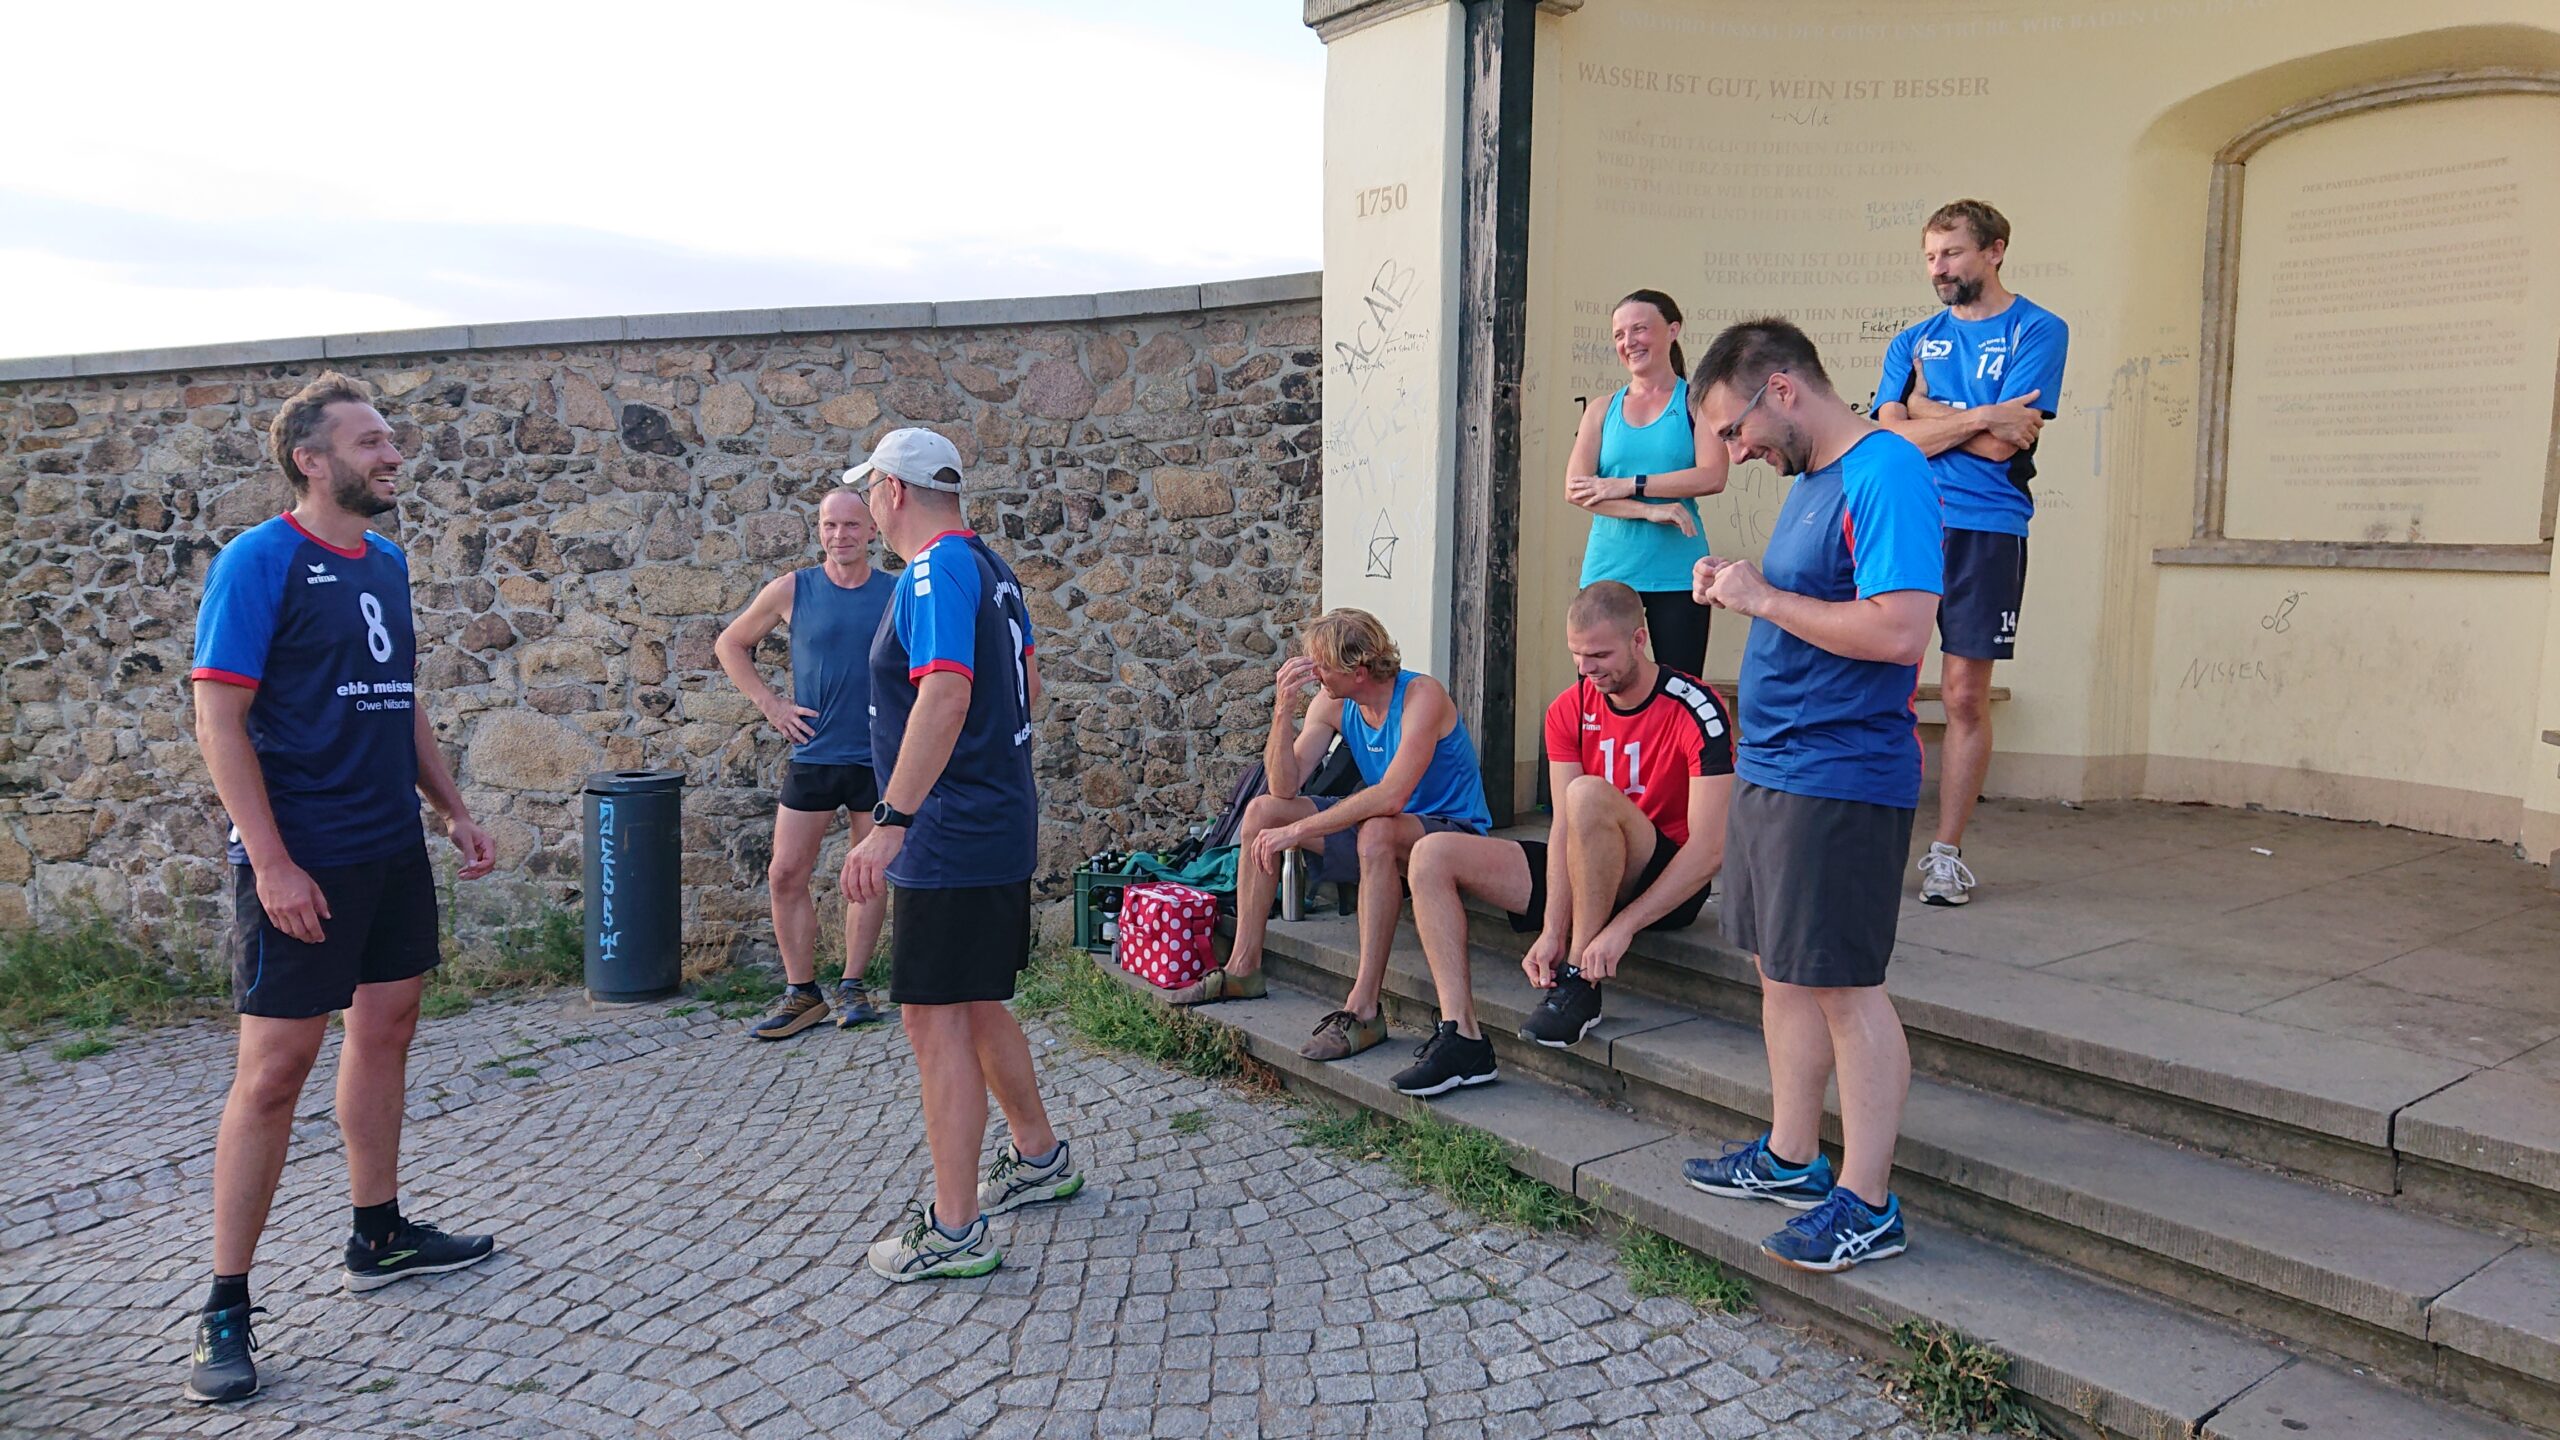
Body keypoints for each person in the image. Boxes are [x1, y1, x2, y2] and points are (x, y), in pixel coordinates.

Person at [184, 372, 500, 1403]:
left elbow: (398, 700)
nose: (392, 454)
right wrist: (270, 861)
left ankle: (379, 1231)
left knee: (389, 1027)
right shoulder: (258, 561)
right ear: (309, 459)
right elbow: (219, 722)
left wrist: (450, 808)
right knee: (274, 1071)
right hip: (299, 856)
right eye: (371, 441)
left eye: (391, 440)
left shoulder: (389, 564)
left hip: (387, 847)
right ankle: (225, 1302)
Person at [1681, 319, 1943, 1274]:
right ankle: (1793, 1155)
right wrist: (1740, 587)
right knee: (1782, 971)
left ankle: (1869, 1202)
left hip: (1842, 773)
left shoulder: (1887, 472)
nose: (1733, 451)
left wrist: (1763, 602)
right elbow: (1809, 602)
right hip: (1779, 765)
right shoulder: (1815, 484)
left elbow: (1903, 631)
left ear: (1780, 390)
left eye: (1733, 429)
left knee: (1843, 986)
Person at [839, 428, 1079, 1282]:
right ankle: (1040, 1156)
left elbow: (944, 692)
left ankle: (954, 1229)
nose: (865, 506)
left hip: (949, 834)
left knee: (930, 1017)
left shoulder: (934, 572)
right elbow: (1032, 692)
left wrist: (893, 817)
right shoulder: (992, 569)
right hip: (994, 821)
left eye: (868, 490)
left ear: (894, 491)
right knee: (974, 1004)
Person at [1392, 581, 1734, 1097]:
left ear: (1639, 640)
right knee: (1430, 855)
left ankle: (1580, 982)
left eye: (1600, 654)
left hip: (1664, 879)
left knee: (1589, 795)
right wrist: (1552, 927)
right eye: (1577, 655)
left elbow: (1710, 849)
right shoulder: (1568, 708)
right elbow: (1562, 829)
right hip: (1587, 860)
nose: (1587, 668)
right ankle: (1461, 1036)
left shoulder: (1697, 708)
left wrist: (1622, 929)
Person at [1169, 609, 1492, 1065]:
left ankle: (1364, 1008)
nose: (1311, 671)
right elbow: (1284, 787)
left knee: (1376, 831)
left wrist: (1300, 830)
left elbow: (1392, 795)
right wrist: (1282, 711)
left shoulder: (1423, 695)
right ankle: (1243, 968)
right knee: (1263, 812)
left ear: (1358, 672)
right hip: (1384, 826)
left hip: (1448, 829)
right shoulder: (1333, 701)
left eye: (1320, 664)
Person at [1871, 200, 2069, 906]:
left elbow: (2003, 446)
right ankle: (1875, 840)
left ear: (1995, 250)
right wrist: (1981, 415)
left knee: (1961, 694)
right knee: (1884, 684)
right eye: (1930, 257)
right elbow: (1890, 437)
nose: (1939, 269)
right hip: (1913, 521)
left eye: (1951, 253)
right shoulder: (1914, 341)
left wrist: (1928, 414)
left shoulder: (2039, 329)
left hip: (1990, 525)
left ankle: (1946, 855)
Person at [716, 486, 897, 1038]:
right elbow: (730, 644)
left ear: (871, 532)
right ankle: (802, 993)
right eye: (828, 525)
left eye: (850, 525)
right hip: (814, 754)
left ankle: (853, 986)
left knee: (866, 876)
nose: (839, 535)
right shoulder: (793, 589)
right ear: (818, 531)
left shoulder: (897, 591)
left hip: (876, 757)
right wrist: (771, 706)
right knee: (785, 872)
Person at [1565, 288, 1731, 676]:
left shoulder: (1697, 401)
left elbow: (1712, 475)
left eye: (1639, 329)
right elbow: (1577, 489)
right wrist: (1650, 511)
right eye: (1619, 335)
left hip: (1678, 571)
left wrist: (1628, 485)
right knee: (1601, 689)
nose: (1629, 342)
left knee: (1681, 689)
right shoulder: (1601, 409)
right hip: (1608, 570)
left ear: (1672, 330)